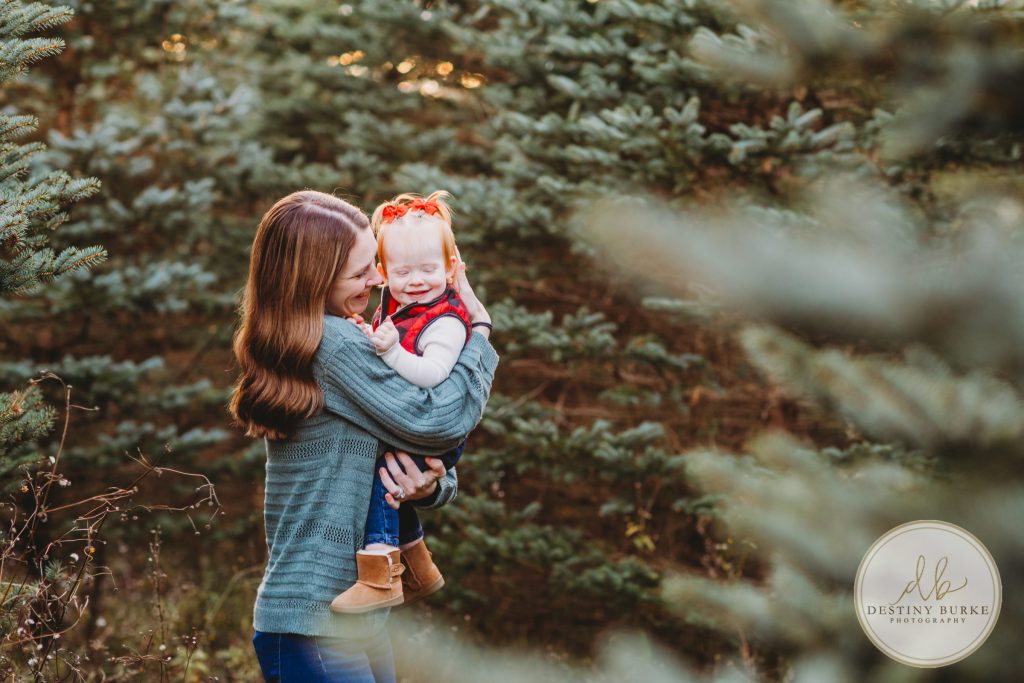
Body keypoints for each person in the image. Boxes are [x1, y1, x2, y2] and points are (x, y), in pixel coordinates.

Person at [229, 190, 497, 682]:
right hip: (318, 624)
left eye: (373, 264)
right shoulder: (335, 345)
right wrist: (477, 331)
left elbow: (410, 450)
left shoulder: (315, 335)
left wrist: (432, 486)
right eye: (360, 273)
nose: (378, 279)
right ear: (313, 280)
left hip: (341, 617)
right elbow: (439, 421)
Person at [331, 191, 484, 614]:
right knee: (388, 475)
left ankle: (380, 572)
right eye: (402, 271)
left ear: (452, 269)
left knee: (383, 480)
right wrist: (371, 339)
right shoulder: (402, 307)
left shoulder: (446, 320)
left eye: (428, 269)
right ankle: (418, 566)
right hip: (415, 421)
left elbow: (433, 375)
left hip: (435, 427)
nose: (416, 280)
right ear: (384, 273)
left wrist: (391, 352)